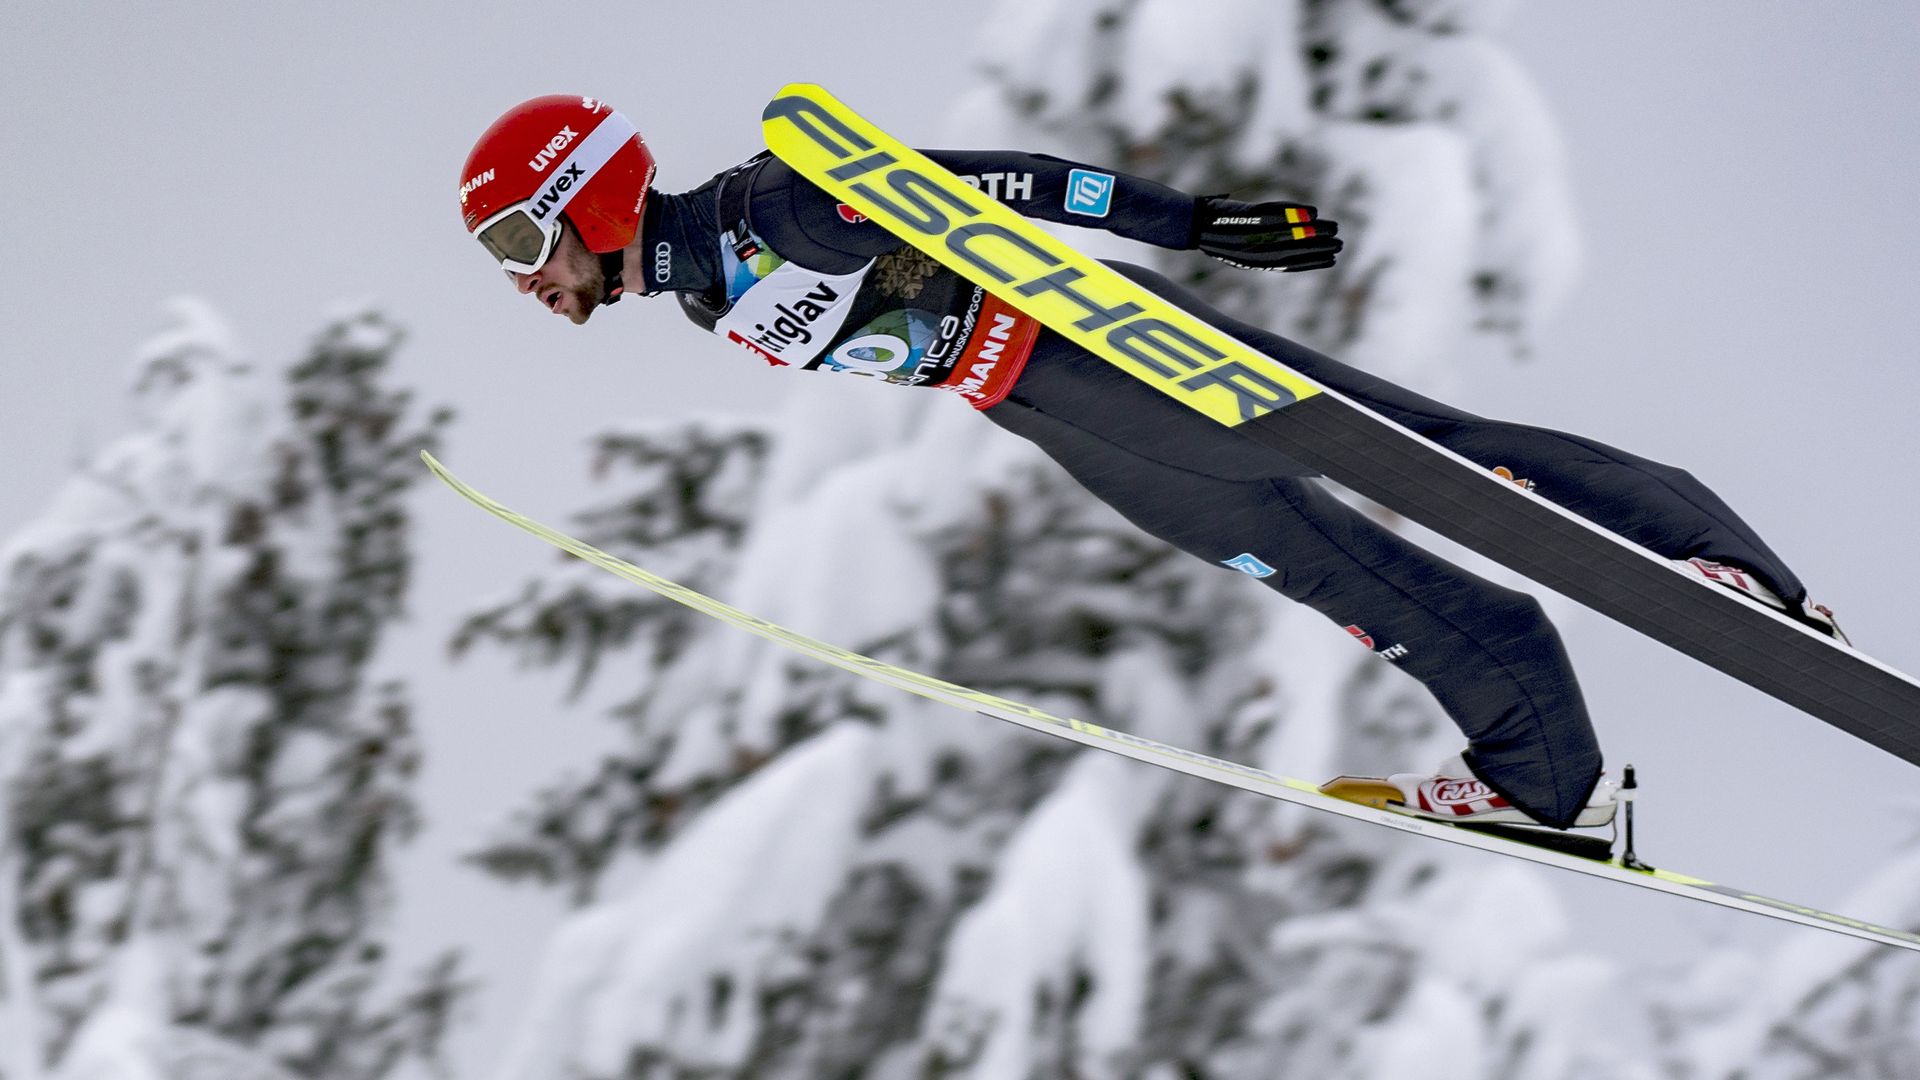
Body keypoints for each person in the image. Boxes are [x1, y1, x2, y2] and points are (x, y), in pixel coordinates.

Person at [457, 94, 1845, 831]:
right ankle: (1545, 770)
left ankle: (1715, 563)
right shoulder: (704, 290)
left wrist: (1191, 222)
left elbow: (993, 184)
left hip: (1093, 343)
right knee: (1329, 570)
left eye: (523, 242)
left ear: (588, 192)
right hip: (1046, 413)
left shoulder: (773, 205)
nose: (527, 280)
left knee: (1419, 450)